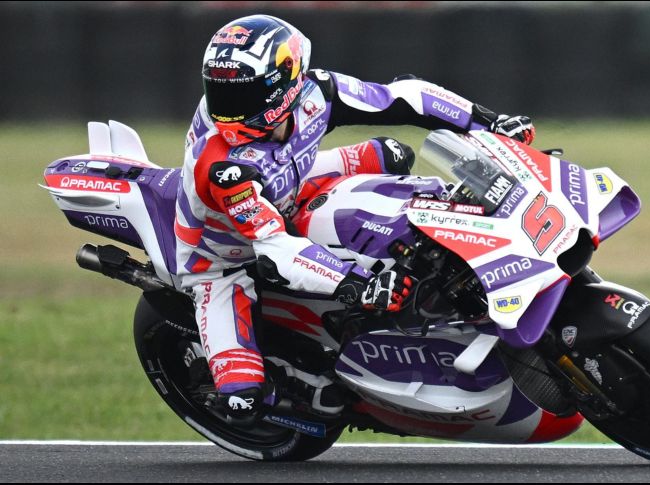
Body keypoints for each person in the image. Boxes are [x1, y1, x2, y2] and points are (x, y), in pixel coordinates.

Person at [175, 14, 536, 421]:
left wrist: (489, 122)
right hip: (224, 259)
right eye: (220, 94)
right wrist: (358, 284)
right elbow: (276, 248)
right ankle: (305, 383)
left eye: (243, 95)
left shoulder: (316, 92)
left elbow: (403, 96)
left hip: (295, 182)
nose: (228, 111)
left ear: (290, 80)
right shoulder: (223, 167)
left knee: (392, 154)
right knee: (242, 403)